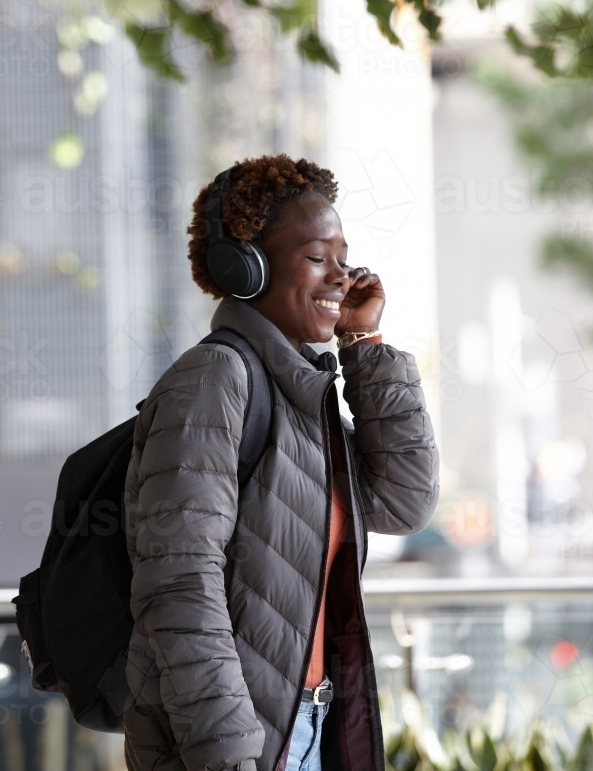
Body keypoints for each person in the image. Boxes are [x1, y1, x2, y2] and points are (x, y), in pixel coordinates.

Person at [124, 155, 439, 771]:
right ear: (247, 268)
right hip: (245, 742)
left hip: (313, 722)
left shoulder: (302, 394)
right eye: (319, 257)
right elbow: (179, 583)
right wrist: (230, 752)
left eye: (344, 257)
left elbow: (405, 501)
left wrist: (364, 347)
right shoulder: (216, 379)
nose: (341, 277)